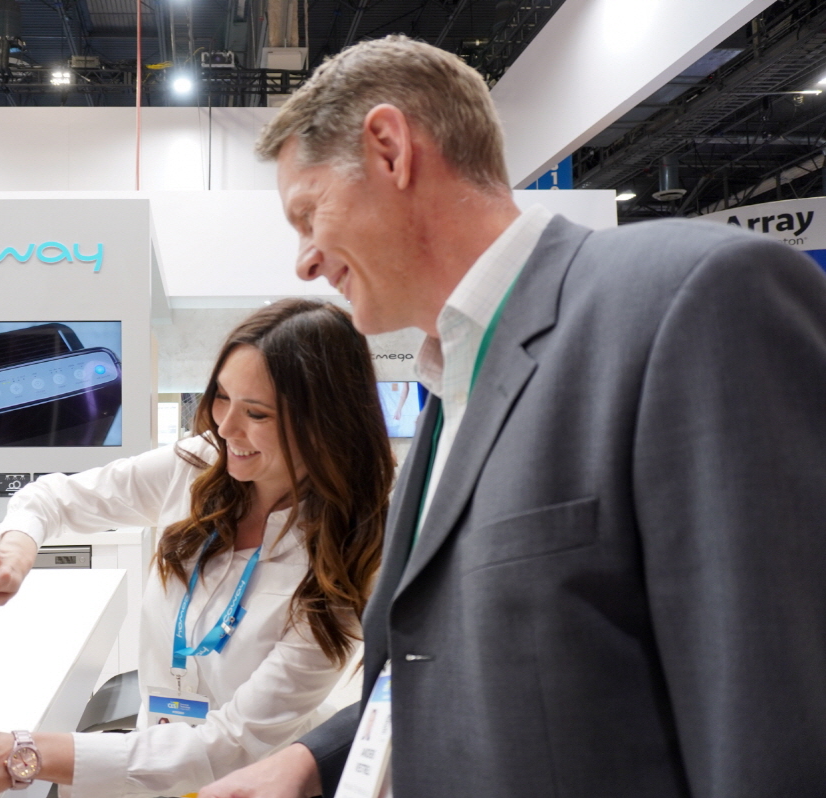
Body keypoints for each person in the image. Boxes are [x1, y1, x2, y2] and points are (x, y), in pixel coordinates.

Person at [200, 34, 826, 798]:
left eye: (308, 212)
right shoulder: (451, 384)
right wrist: (313, 759)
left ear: (390, 150)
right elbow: (458, 661)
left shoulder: (692, 303)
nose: (303, 259)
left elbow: (772, 718)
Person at [0, 298, 395, 797]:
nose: (225, 427)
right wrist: (17, 548)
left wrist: (20, 754)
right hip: (150, 759)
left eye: (256, 413)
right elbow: (53, 498)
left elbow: (231, 744)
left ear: (324, 424)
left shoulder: (347, 558)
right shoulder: (198, 466)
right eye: (221, 397)